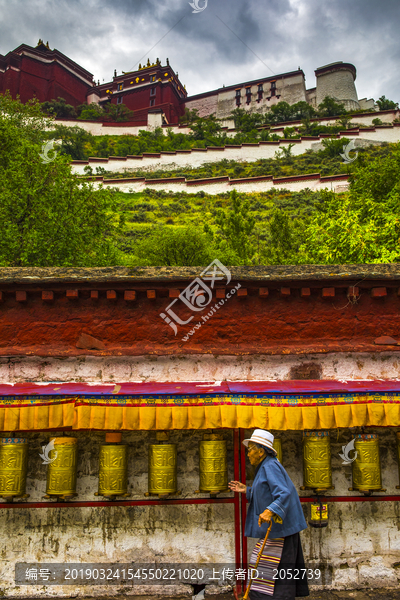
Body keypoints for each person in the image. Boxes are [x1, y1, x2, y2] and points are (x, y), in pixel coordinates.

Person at [229, 429, 309, 600]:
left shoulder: (270, 466)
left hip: (282, 531)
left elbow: (284, 492)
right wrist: (247, 490)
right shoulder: (265, 466)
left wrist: (269, 511)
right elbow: (266, 492)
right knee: (266, 567)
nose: (248, 453)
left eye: (250, 449)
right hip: (278, 530)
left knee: (277, 570)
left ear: (261, 451)